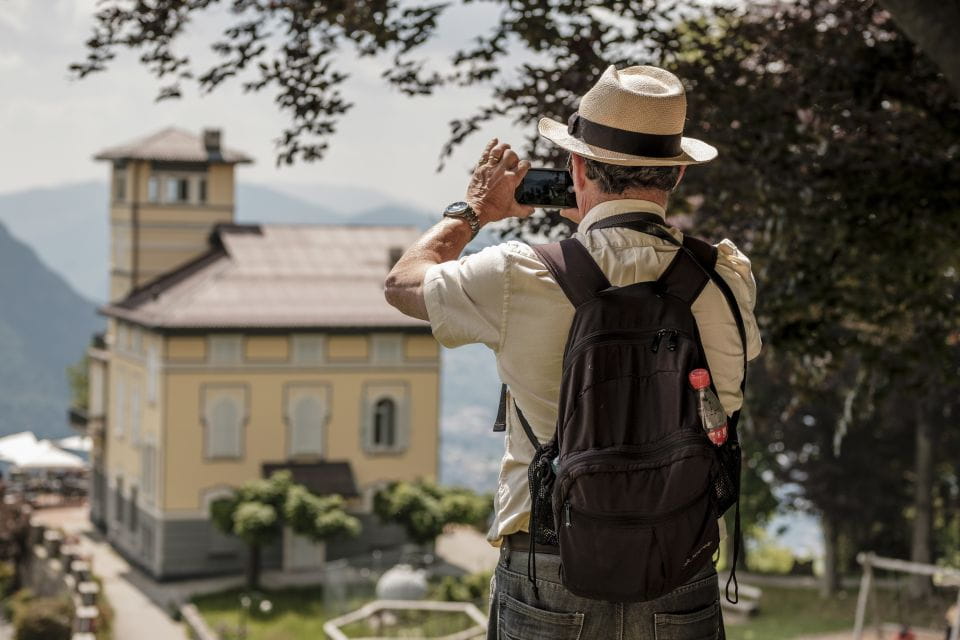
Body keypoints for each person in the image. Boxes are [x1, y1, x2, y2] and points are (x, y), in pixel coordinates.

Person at [385, 64, 762, 639]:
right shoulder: (728, 277)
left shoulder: (518, 273)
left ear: (577, 165)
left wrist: (473, 213)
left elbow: (403, 284)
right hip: (679, 561)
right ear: (677, 173)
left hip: (549, 560)